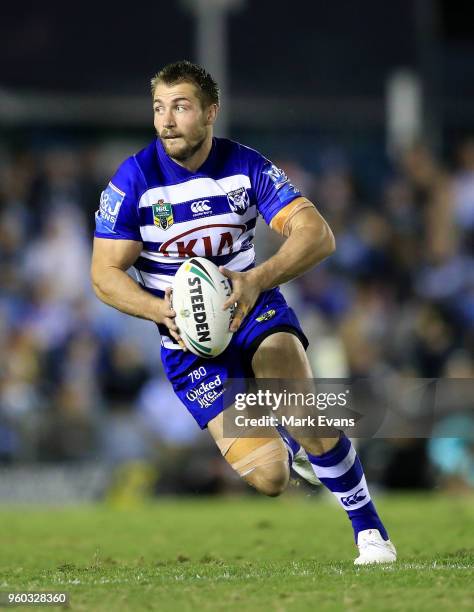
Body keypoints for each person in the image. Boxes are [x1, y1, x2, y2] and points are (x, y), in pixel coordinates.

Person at [91, 60, 396, 564]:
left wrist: (256, 279)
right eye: (159, 108)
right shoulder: (134, 180)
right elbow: (104, 274)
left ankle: (370, 534)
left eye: (181, 107)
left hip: (252, 310)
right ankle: (295, 441)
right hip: (189, 346)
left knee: (297, 400)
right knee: (271, 478)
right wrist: (158, 311)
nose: (166, 120)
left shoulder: (245, 166)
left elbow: (317, 235)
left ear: (211, 111)